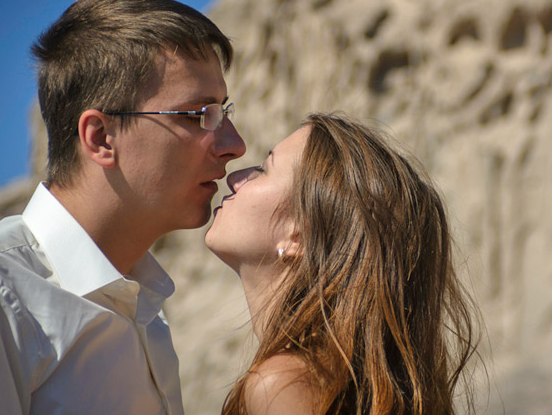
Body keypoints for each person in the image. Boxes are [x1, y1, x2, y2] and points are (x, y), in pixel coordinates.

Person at [0, 0, 246, 414]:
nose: (235, 145)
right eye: (200, 115)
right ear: (101, 137)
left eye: (225, 112)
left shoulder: (142, 310)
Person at [206, 113, 481, 415]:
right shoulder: (345, 385)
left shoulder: (285, 386)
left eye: (263, 169)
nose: (233, 178)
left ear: (299, 234)